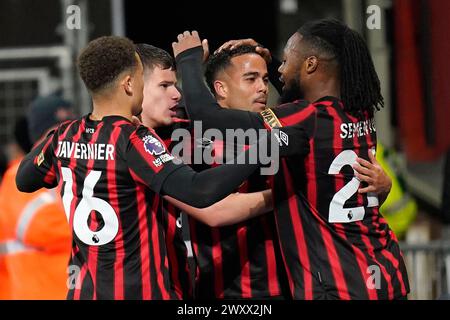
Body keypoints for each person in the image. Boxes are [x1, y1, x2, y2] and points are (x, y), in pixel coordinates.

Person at [15, 36, 307, 300]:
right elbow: (204, 198)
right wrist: (277, 167)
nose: (177, 94)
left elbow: (25, 179)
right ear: (130, 83)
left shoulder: (65, 134)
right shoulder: (136, 141)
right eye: (164, 85)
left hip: (85, 291)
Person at [172, 19, 409, 300]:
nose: (278, 70)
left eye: (286, 60)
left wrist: (188, 61)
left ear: (310, 65)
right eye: (252, 78)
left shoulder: (303, 120)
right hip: (386, 273)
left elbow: (209, 116)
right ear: (221, 88)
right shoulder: (360, 115)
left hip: (336, 285)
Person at [136, 43, 280, 299]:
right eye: (164, 85)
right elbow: (211, 210)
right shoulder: (141, 145)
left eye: (265, 79)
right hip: (215, 289)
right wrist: (288, 194)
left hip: (284, 282)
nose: (177, 94)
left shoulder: (265, 127)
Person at [0, 96, 73, 299]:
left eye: (69, 130)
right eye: (54, 132)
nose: (64, 138)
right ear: (39, 138)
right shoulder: (18, 175)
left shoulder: (73, 171)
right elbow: (40, 225)